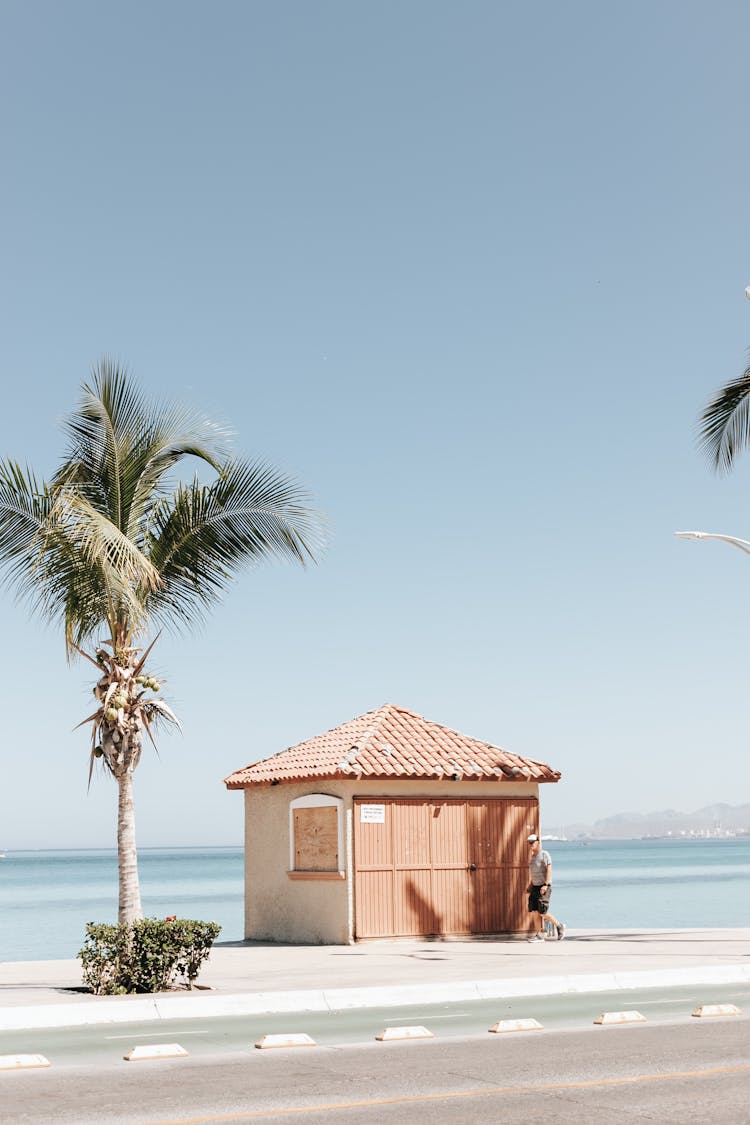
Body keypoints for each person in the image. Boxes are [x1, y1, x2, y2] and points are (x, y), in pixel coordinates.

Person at [526, 833, 566, 941]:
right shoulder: (532, 858)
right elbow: (534, 873)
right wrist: (530, 885)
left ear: (538, 842)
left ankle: (559, 926)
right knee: (533, 911)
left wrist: (546, 884)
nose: (530, 844)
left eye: (532, 842)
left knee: (542, 912)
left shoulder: (544, 854)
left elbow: (549, 870)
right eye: (529, 842)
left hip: (544, 887)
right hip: (535, 887)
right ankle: (540, 934)